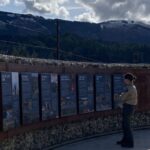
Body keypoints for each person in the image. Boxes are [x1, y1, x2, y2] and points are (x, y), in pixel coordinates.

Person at [117, 73, 138, 148]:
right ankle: (125, 140)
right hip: (129, 107)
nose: (124, 80)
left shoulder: (129, 88)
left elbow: (122, 97)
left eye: (125, 79)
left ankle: (129, 143)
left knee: (127, 126)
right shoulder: (132, 87)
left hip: (128, 107)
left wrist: (118, 96)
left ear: (128, 80)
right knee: (125, 125)